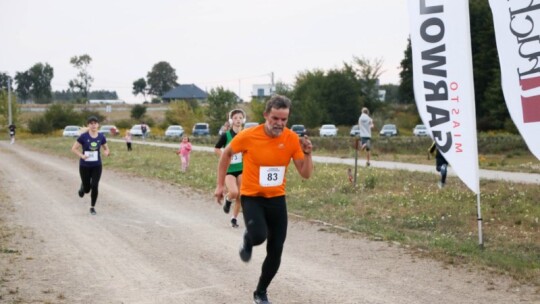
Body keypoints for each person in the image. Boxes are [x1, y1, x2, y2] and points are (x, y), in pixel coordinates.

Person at [214, 95, 313, 304]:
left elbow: (305, 173)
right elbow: (226, 155)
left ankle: (260, 292)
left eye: (284, 120)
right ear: (266, 115)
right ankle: (248, 239)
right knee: (259, 236)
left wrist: (308, 154)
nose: (279, 123)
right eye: (275, 118)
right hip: (252, 197)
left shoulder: (291, 139)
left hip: (277, 199)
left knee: (276, 250)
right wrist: (220, 185)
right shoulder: (249, 135)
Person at [71, 116, 110, 215]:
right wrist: (81, 155)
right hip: (84, 165)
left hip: (97, 165)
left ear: (98, 125)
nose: (93, 125)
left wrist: (106, 152)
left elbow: (106, 148)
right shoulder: (83, 137)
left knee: (95, 185)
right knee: (87, 189)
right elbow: (74, 148)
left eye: (95, 123)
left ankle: (92, 207)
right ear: (88, 125)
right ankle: (83, 187)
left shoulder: (101, 136)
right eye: (91, 123)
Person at [214, 109, 246, 228]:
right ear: (231, 120)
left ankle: (234, 218)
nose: (238, 120)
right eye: (235, 118)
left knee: (241, 195)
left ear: (243, 120)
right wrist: (225, 156)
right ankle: (228, 200)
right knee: (234, 192)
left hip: (242, 169)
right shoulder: (226, 135)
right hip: (229, 170)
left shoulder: (245, 134)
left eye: (240, 118)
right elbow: (216, 148)